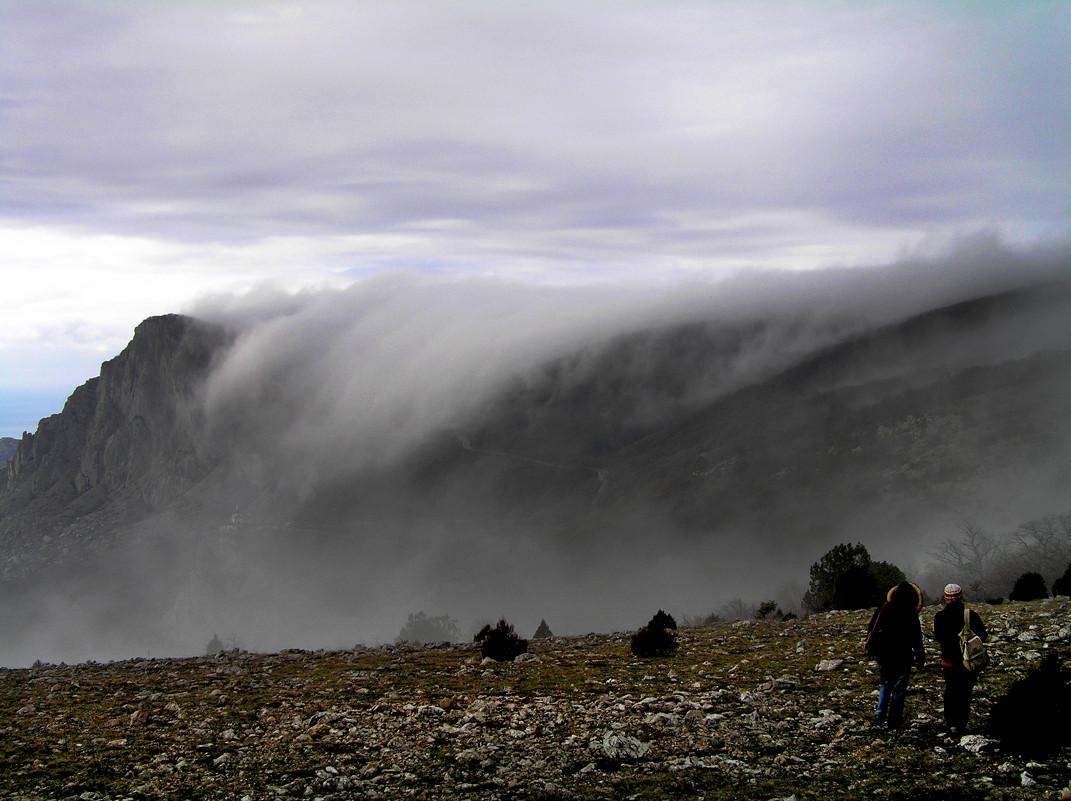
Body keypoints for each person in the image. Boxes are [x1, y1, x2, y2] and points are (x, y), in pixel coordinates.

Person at [865, 581, 925, 729]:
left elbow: (871, 627)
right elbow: (917, 639)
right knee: (899, 689)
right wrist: (920, 658)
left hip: (884, 652)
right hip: (903, 655)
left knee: (885, 683)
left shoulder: (885, 607)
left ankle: (879, 714)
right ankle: (894, 720)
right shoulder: (911, 613)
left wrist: (871, 646)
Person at [933, 582, 987, 736]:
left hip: (949, 661)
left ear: (945, 598)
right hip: (968, 661)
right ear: (961, 596)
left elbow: (939, 637)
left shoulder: (940, 616)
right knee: (965, 692)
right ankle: (962, 723)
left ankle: (951, 723)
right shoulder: (970, 614)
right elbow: (983, 635)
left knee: (951, 691)